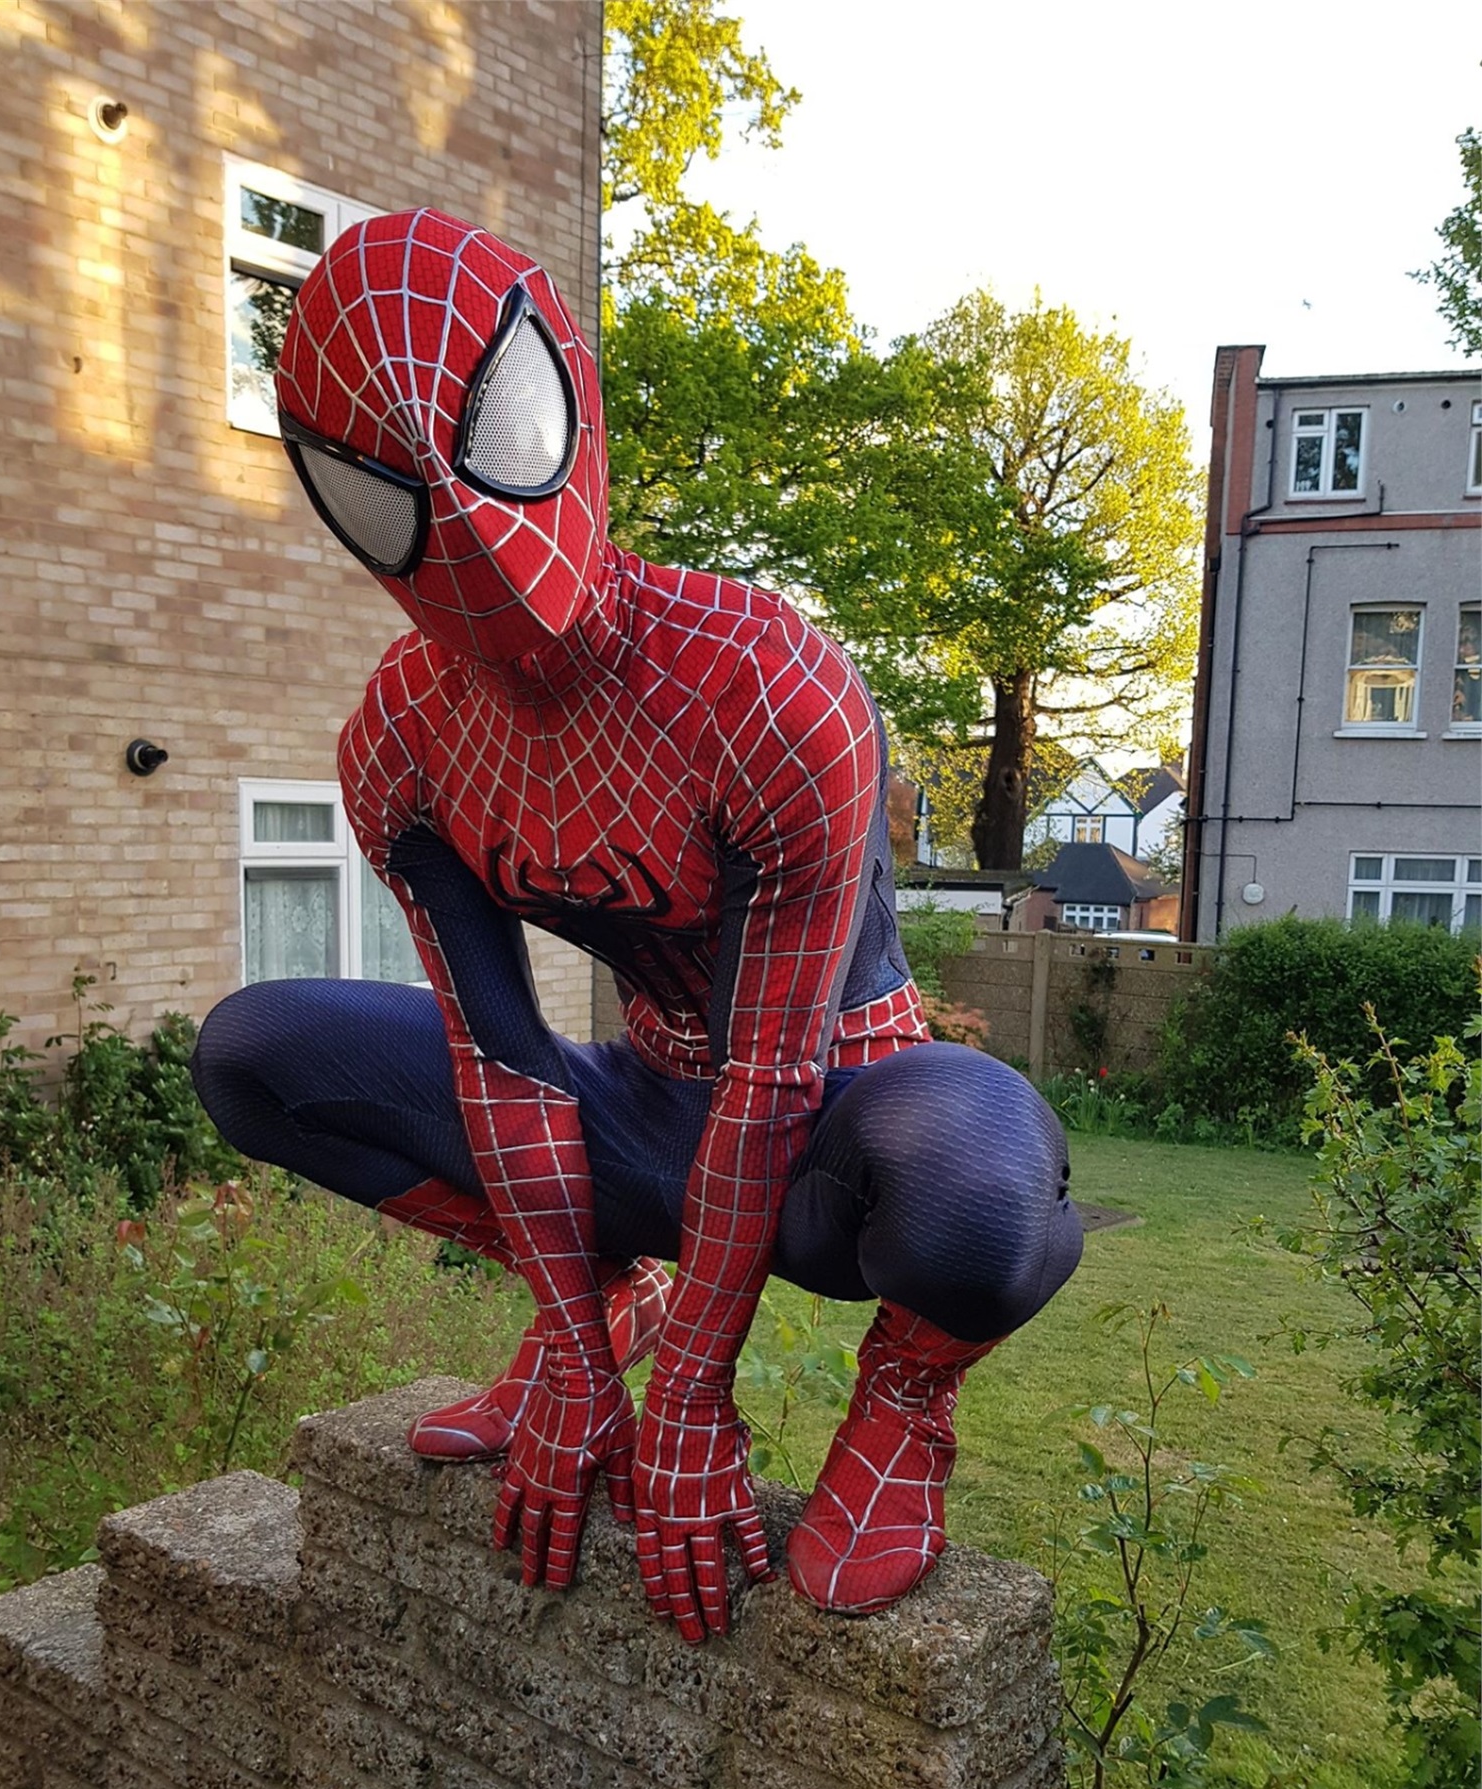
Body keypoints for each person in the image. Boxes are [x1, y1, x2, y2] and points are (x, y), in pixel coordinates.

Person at [192, 209, 1082, 1643]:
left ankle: (907, 1395)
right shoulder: (405, 740)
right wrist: (573, 1341)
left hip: (845, 1124)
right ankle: (609, 1299)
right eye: (391, 491)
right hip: (657, 1099)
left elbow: (779, 1080)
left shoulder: (766, 681)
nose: (470, 525)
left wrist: (689, 1413)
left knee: (979, 1185)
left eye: (496, 437)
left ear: (571, 409)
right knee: (253, 1052)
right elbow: (506, 1062)